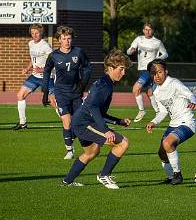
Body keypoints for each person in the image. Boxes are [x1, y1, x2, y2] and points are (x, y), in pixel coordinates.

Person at [61, 48, 132, 189]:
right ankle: (104, 175)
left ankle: (66, 182)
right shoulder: (104, 86)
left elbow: (98, 111)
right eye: (121, 69)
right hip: (84, 123)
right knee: (123, 143)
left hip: (81, 122)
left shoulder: (106, 83)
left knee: (92, 152)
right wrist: (106, 130)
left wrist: (118, 121)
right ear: (111, 68)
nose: (123, 73)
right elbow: (93, 109)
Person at [42, 26, 92, 159]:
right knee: (67, 122)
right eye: (64, 39)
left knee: (78, 122)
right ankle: (69, 150)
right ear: (59, 40)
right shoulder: (54, 55)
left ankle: (74, 137)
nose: (67, 41)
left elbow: (88, 67)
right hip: (61, 93)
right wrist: (45, 91)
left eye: (69, 38)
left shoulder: (79, 52)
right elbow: (46, 71)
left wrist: (82, 84)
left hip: (76, 93)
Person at [145, 59, 196, 185]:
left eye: (160, 72)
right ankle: (171, 177)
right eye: (153, 73)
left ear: (166, 71)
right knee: (162, 153)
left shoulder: (174, 83)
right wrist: (153, 122)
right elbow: (163, 111)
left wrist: (193, 102)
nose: (157, 76)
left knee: (168, 142)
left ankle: (177, 174)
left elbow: (191, 95)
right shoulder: (156, 91)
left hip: (187, 122)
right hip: (173, 123)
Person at [12, 23, 55, 130]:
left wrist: (42, 69)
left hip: (47, 77)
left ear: (41, 33)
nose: (34, 35)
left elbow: (53, 62)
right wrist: (27, 68)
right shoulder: (30, 43)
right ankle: (23, 123)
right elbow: (33, 58)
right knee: (20, 95)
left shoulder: (46, 46)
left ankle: (69, 123)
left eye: (36, 33)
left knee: (54, 103)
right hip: (35, 77)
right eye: (32, 33)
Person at [127, 21, 168, 122]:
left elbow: (165, 54)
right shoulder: (138, 39)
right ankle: (158, 112)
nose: (147, 31)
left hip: (149, 69)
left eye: (149, 30)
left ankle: (142, 110)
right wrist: (131, 50)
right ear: (143, 30)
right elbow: (128, 51)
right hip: (141, 69)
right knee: (149, 91)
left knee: (135, 89)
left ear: (152, 31)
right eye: (145, 29)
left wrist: (156, 60)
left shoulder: (157, 42)